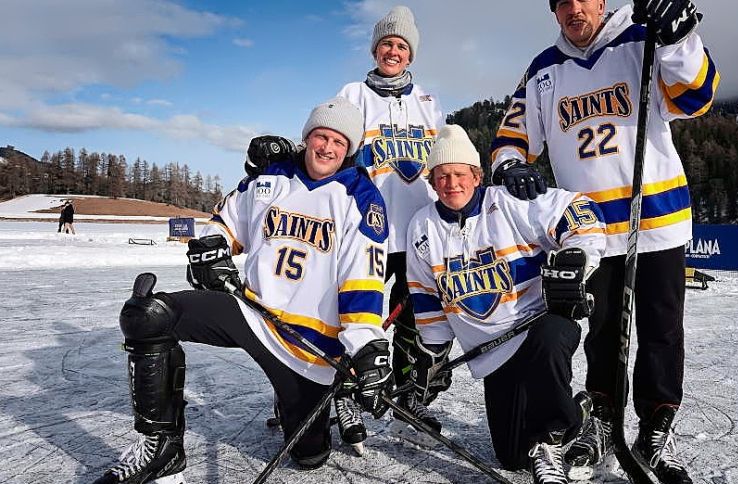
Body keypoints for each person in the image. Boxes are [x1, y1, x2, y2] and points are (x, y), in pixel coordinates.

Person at [92, 97, 393, 483]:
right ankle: (160, 451)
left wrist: (365, 344)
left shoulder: (361, 197)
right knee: (149, 315)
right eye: (321, 136)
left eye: (339, 141)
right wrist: (210, 248)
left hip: (310, 343)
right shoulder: (271, 178)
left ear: (349, 149)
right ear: (307, 137)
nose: (328, 148)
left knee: (310, 456)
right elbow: (226, 224)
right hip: (253, 314)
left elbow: (362, 279)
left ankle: (309, 404)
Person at [490, 1, 719, 482]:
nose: (575, 9)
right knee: (601, 332)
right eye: (563, 3)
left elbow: (696, 97)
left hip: (654, 220)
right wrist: (511, 165)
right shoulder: (543, 70)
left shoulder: (642, 40)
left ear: (600, 3)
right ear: (555, 14)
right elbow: (511, 134)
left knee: (661, 331)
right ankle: (600, 419)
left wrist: (678, 39)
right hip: (589, 230)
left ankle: (656, 427)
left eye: (584, 0)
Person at [406, 125, 607, 484]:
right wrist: (431, 355)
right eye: (442, 176)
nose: (452, 183)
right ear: (432, 182)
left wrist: (579, 254)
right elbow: (426, 297)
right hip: (491, 351)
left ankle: (549, 440)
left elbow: (579, 209)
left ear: (477, 176)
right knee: (511, 456)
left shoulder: (509, 201)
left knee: (550, 339)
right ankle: (578, 414)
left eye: (459, 174)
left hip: (537, 325)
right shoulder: (422, 226)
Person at [336, 5, 446, 445]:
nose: (393, 52)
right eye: (387, 44)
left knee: (414, 319)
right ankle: (342, 394)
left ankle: (408, 394)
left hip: (417, 231)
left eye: (401, 46)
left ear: (411, 55)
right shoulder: (353, 94)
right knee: (353, 314)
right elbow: (333, 149)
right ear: (375, 49)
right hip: (368, 230)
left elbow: (441, 163)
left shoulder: (429, 102)